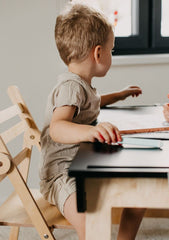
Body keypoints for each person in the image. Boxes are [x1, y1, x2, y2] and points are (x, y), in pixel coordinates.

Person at [39, 3, 145, 240]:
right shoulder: (70, 88)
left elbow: (90, 104)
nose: (111, 54)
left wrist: (118, 95)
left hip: (85, 164)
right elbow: (57, 128)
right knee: (90, 223)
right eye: (112, 50)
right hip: (62, 175)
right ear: (98, 53)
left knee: (138, 195)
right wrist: (90, 132)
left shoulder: (80, 85)